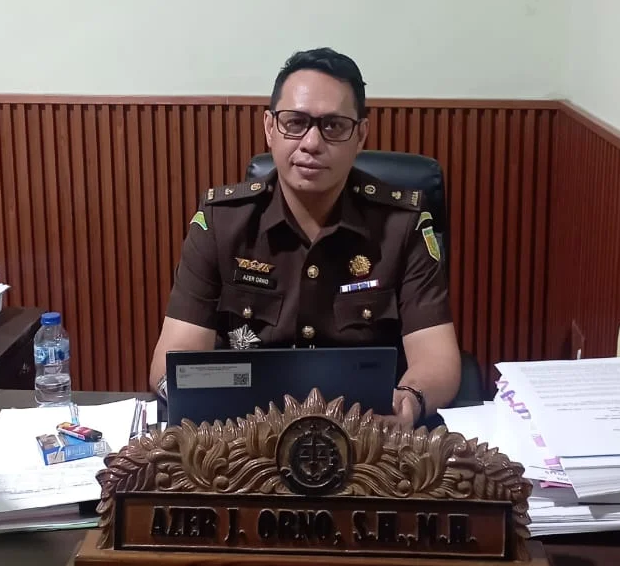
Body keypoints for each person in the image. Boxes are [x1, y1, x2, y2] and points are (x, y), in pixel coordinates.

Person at [150, 48, 462, 426]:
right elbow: (174, 358)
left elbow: (437, 360)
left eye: (334, 126)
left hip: (369, 435)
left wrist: (409, 401)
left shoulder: (401, 224)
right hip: (244, 436)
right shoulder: (222, 222)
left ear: (360, 134)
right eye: (295, 122)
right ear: (269, 128)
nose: (311, 143)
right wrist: (192, 400)